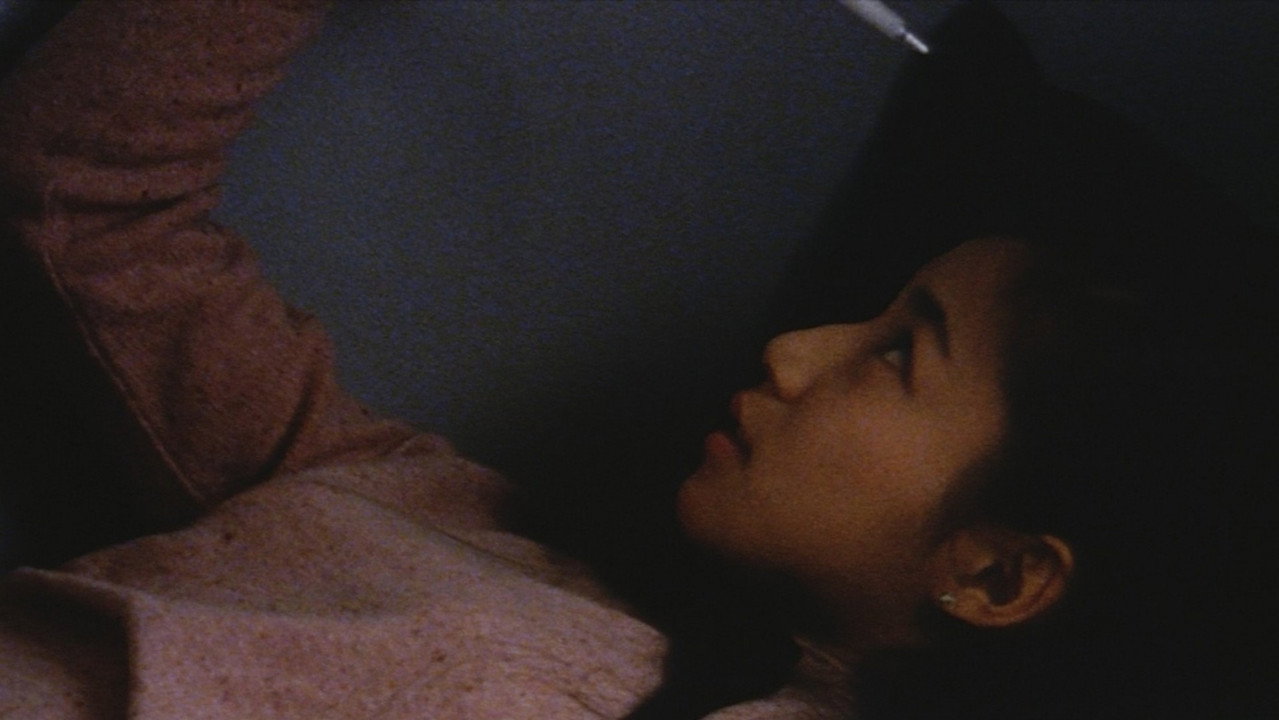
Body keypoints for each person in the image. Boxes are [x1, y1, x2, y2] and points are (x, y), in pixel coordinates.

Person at [1, 1, 1273, 719]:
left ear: (994, 575)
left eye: (896, 355)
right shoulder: (430, 507)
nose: (794, 352)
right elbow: (93, 195)